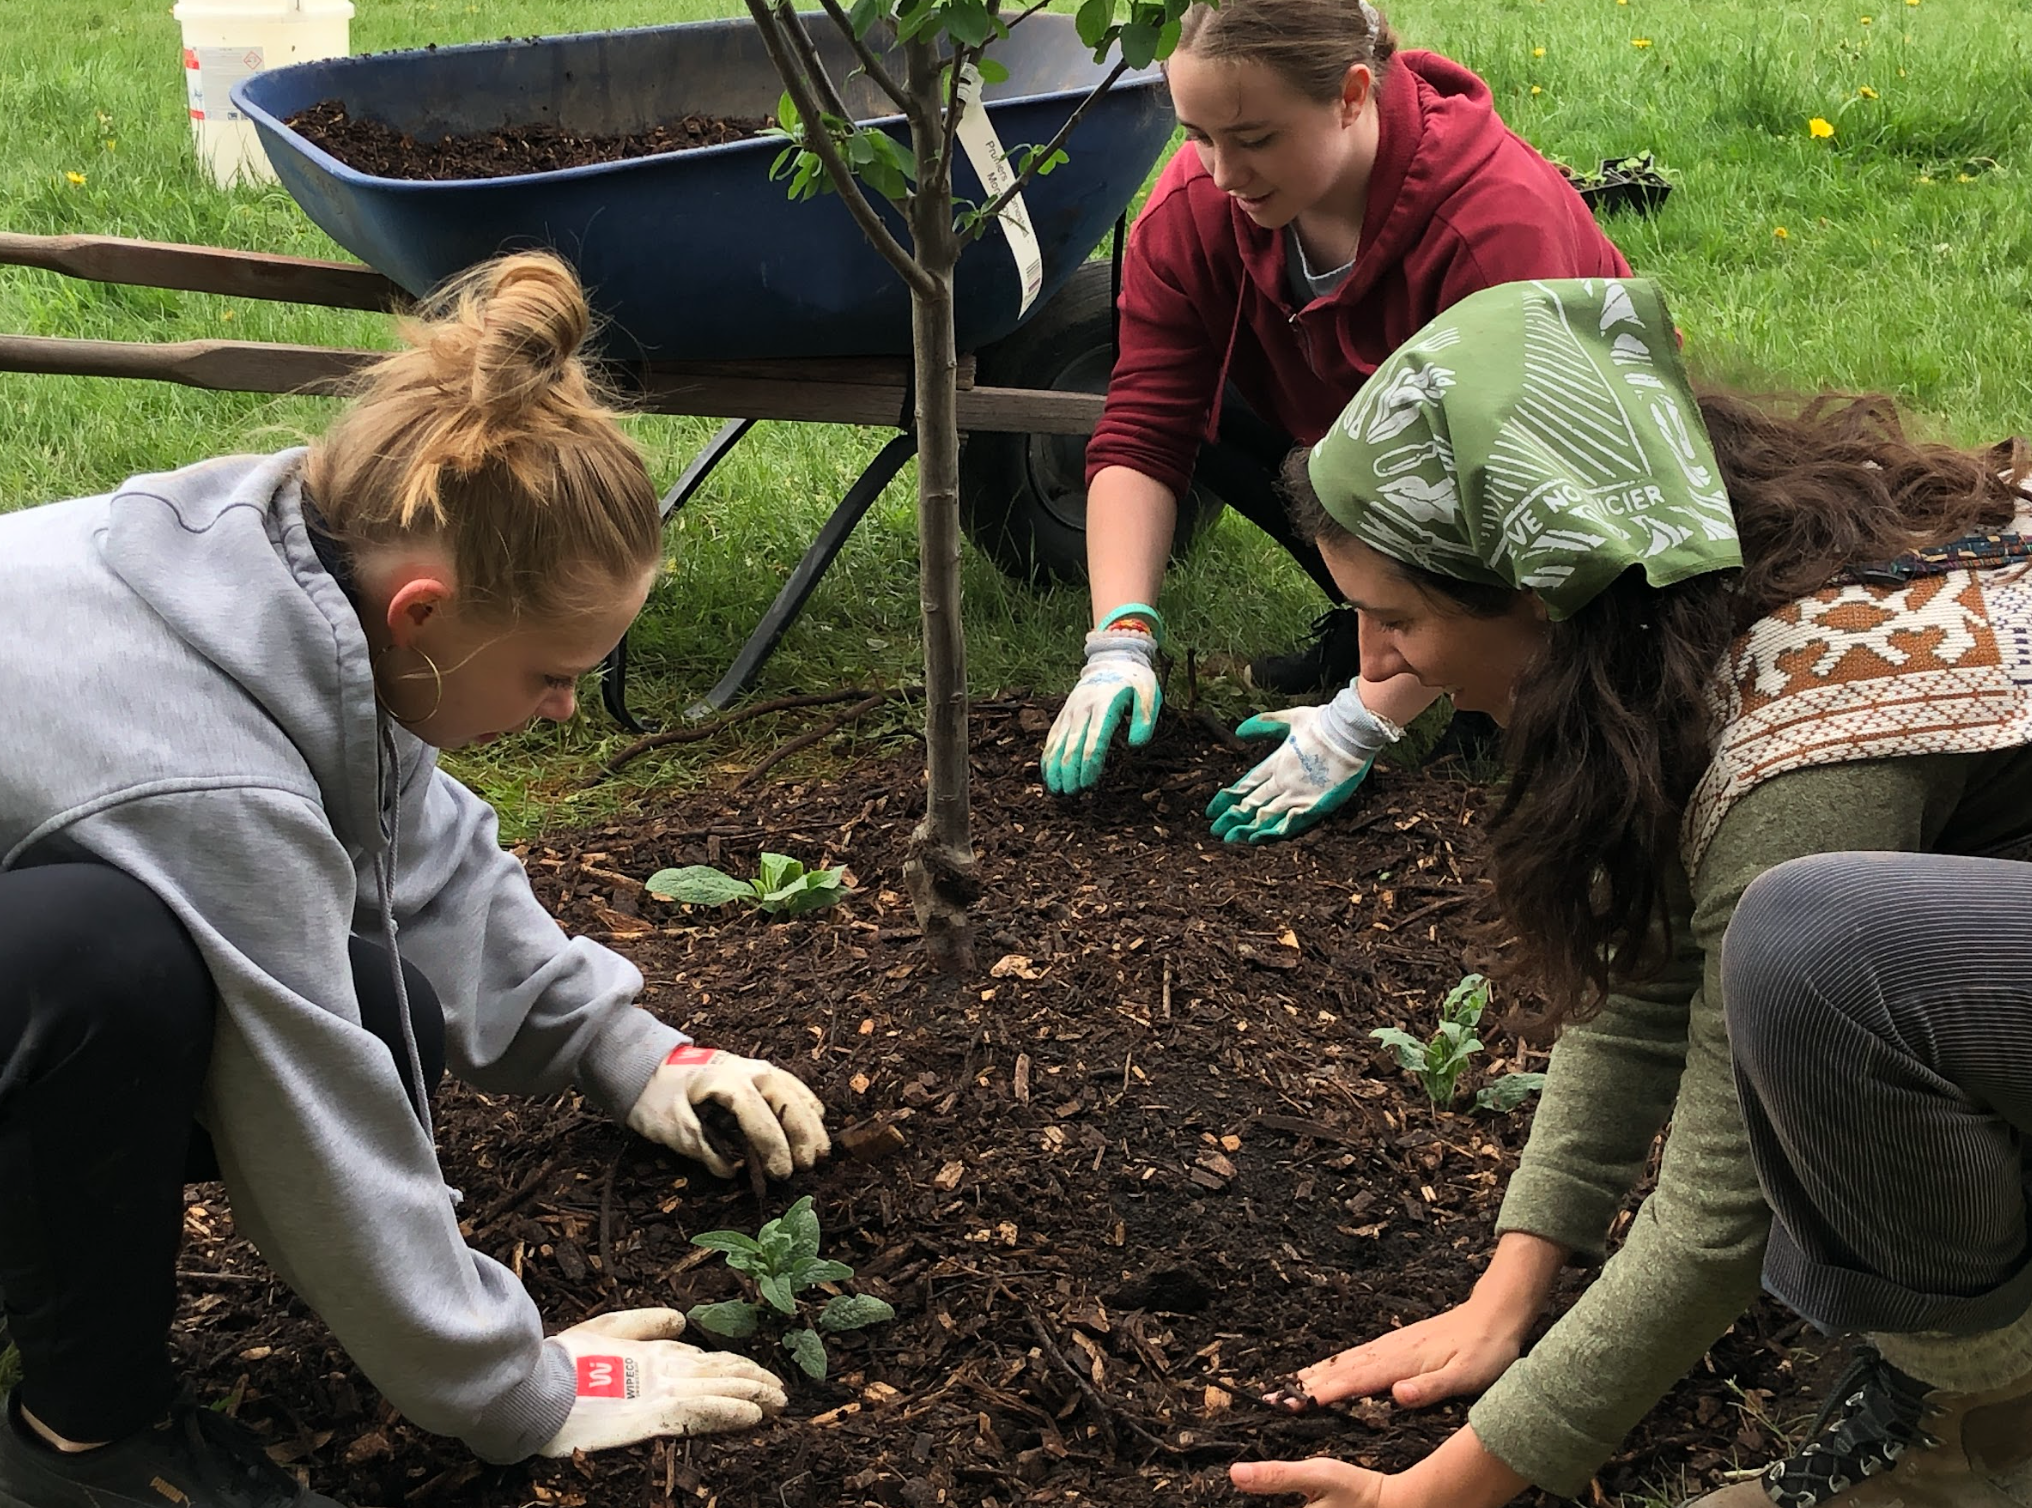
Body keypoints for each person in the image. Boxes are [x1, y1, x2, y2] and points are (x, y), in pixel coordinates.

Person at [0, 252, 831, 1508]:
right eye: (553, 674)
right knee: (108, 961)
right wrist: (519, 1387)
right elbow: (311, 1104)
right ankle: (86, 1442)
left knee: (379, 993)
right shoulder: (203, 772)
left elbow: (428, 861)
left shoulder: (288, 575)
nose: (564, 710)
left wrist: (639, 1053)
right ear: (423, 612)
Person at [1220, 276, 2032, 1508]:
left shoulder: (1819, 729)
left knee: (1819, 958)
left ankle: (1983, 1428)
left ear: (1538, 587)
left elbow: (1717, 1210)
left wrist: (1436, 1490)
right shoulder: (1702, 576)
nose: (1373, 665)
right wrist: (1510, 1288)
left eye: (1395, 620)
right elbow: (1654, 959)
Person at [1040, 0, 1630, 845]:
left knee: (1528, 690)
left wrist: (1363, 716)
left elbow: (1523, 502)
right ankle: (1387, 621)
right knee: (1212, 401)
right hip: (1372, 464)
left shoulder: (1491, 230)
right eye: (1198, 136)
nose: (1222, 172)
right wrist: (1120, 637)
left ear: (1352, 95)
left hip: (1562, 495)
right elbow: (1144, 424)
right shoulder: (1199, 209)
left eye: (1254, 138)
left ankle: (1469, 663)